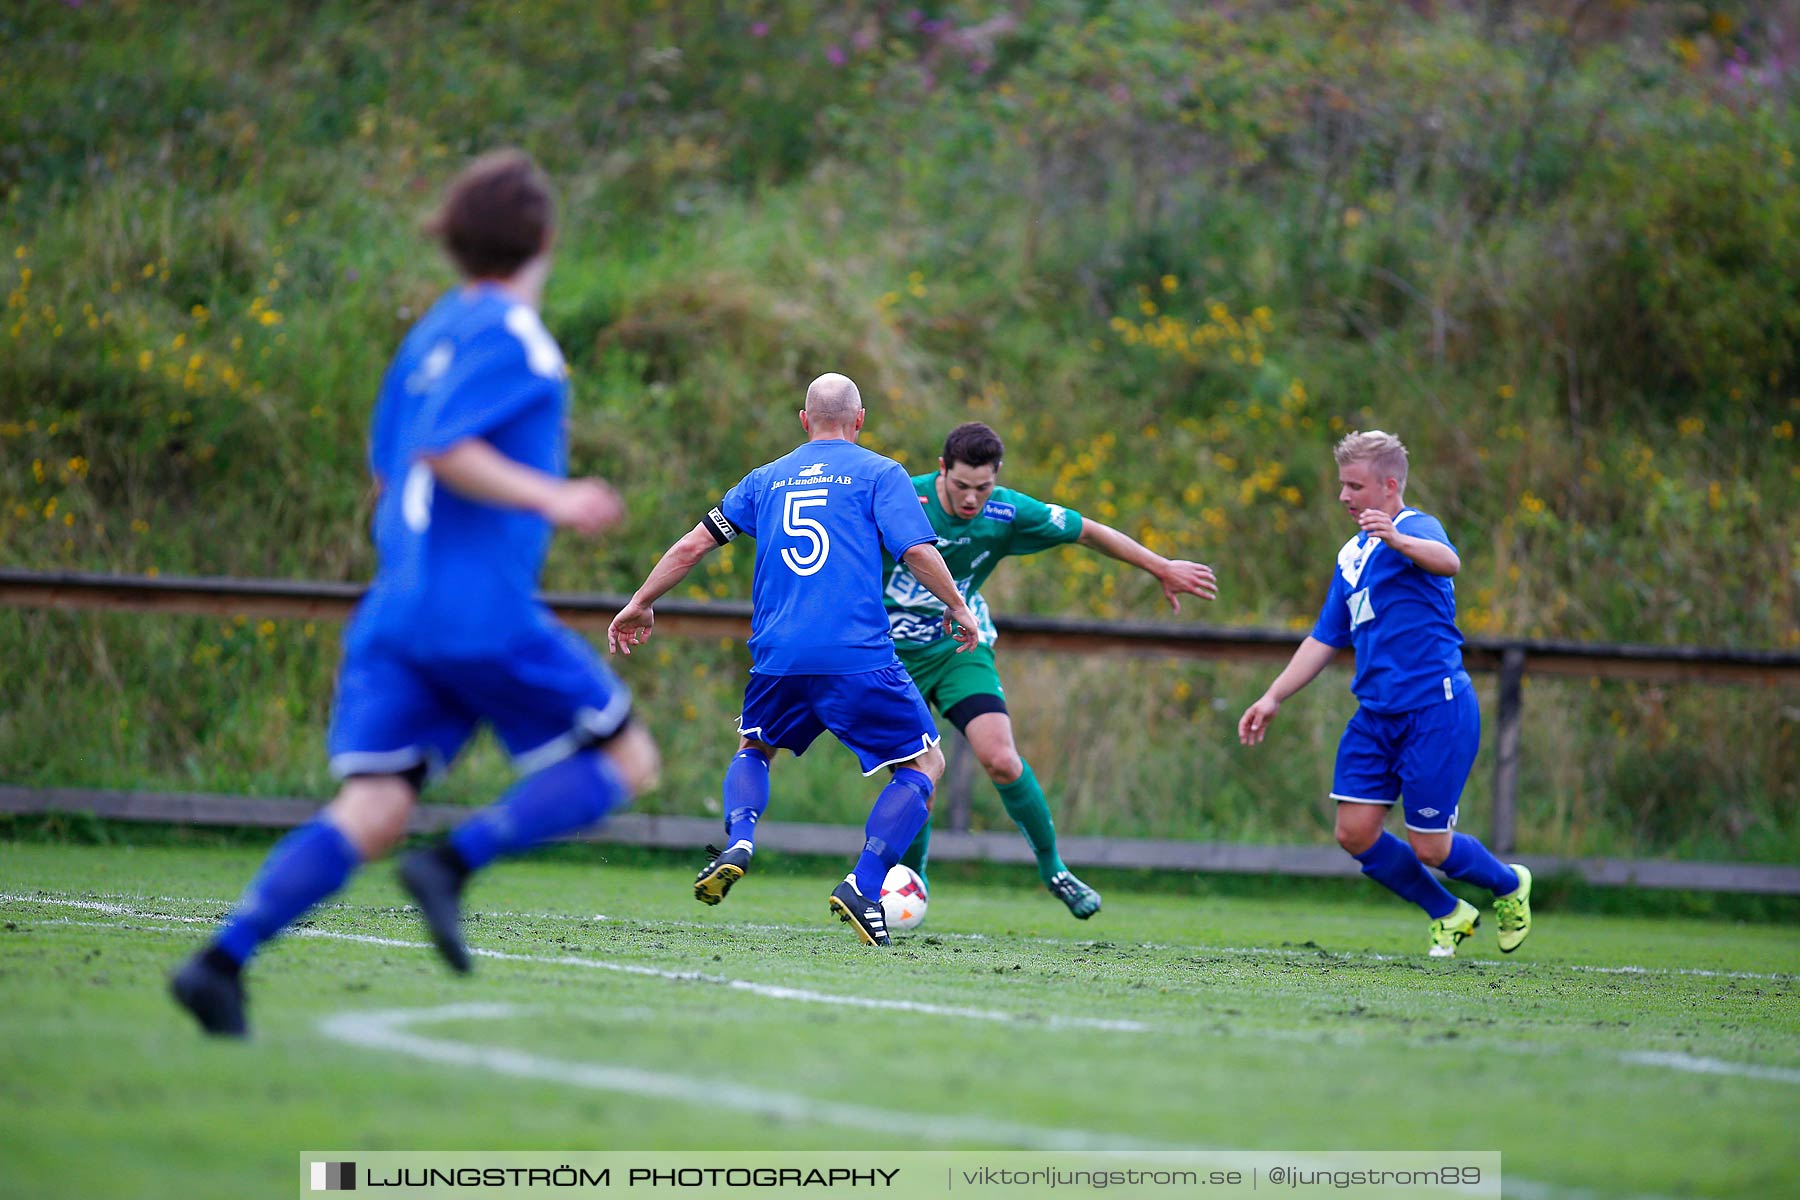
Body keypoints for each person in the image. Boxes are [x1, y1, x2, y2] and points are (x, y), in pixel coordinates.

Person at [170, 149, 659, 1036]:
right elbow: (441, 447)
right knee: (629, 761)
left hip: (396, 606)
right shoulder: (518, 341)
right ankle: (456, 864)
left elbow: (386, 461)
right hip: (477, 610)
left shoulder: (431, 332)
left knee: (375, 806)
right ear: (546, 238)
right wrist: (555, 496)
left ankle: (222, 961)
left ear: (457, 242)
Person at [606, 373, 981, 946]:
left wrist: (639, 602)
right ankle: (865, 883)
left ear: (804, 421)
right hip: (855, 655)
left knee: (755, 747)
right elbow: (915, 549)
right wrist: (957, 605)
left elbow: (692, 546)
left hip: (777, 656)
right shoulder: (881, 474)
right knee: (924, 765)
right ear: (860, 420)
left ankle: (739, 841)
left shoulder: (766, 479)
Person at [879, 422, 1218, 918]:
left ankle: (1054, 869)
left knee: (1001, 759)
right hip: (890, 658)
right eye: (961, 486)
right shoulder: (902, 498)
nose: (972, 499)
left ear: (996, 479)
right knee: (916, 778)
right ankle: (914, 882)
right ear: (941, 470)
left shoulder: (1006, 512)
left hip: (959, 649)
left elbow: (1088, 531)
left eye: (983, 487)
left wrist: (1160, 566)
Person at [1237, 430, 1531, 957]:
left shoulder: (1416, 528)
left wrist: (1396, 540)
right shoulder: (1351, 556)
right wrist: (1273, 695)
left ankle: (1509, 885)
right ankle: (1449, 912)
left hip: (1435, 710)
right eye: (1342, 485)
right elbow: (1325, 636)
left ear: (1388, 485)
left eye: (1354, 486)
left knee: (1431, 848)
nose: (1344, 497)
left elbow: (1449, 561)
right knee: (1353, 832)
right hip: (1376, 716)